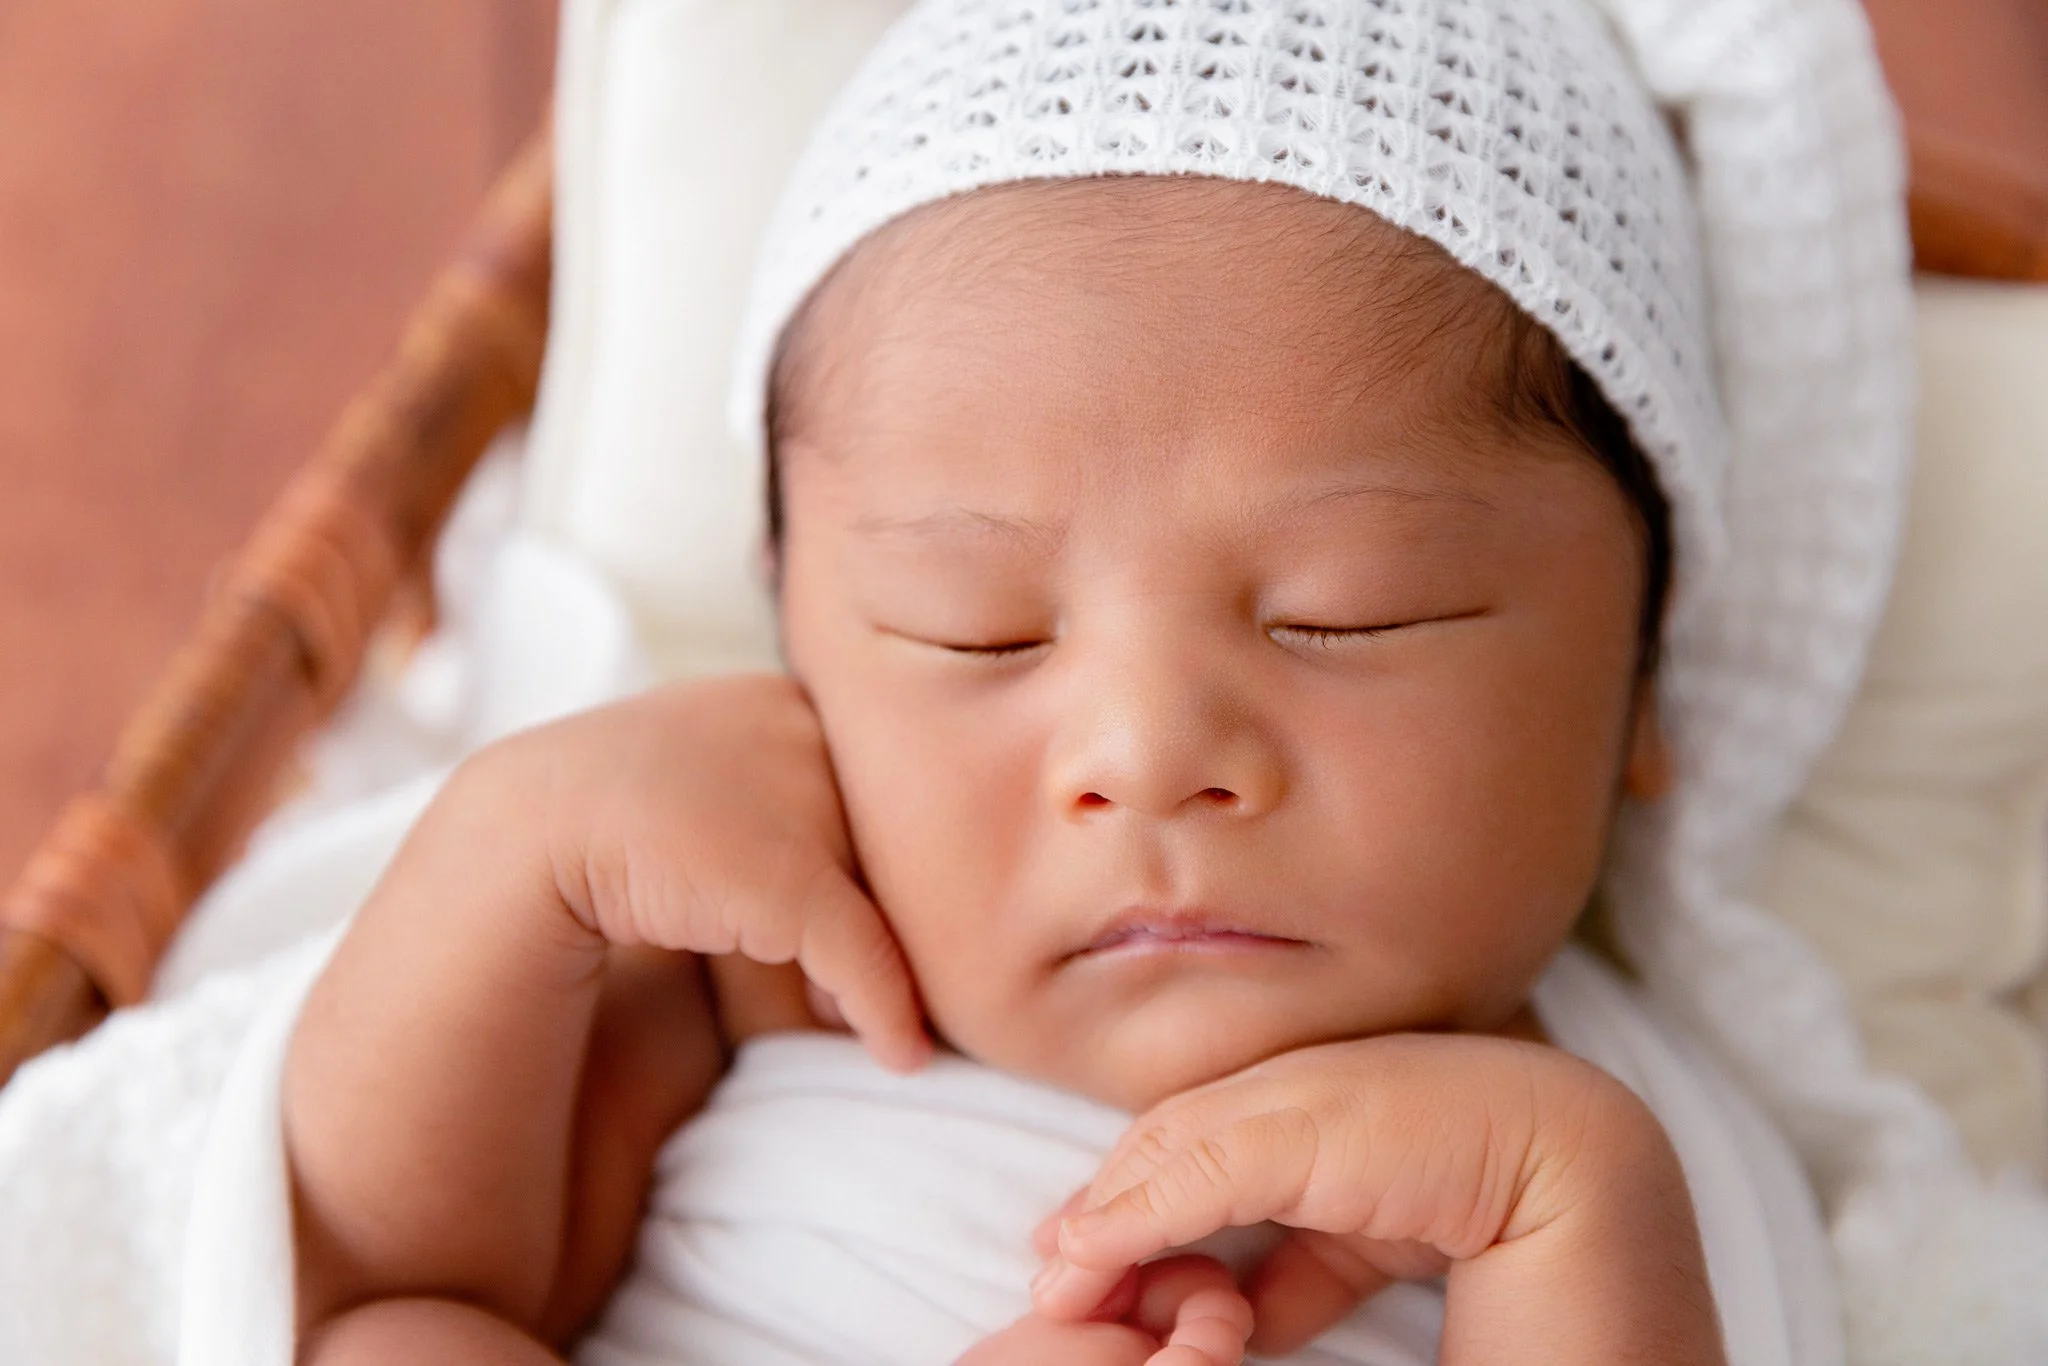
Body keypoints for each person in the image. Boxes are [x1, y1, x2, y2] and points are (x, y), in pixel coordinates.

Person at [283, 2, 1846, 1363]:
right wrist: (497, 867)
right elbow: (370, 1285)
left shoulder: (1615, 1168)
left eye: (1353, 614)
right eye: (977, 631)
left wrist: (1563, 1201)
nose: (1149, 752)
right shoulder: (777, 992)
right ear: (805, 654)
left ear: (1645, 681)